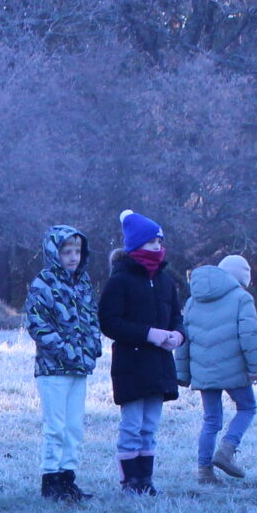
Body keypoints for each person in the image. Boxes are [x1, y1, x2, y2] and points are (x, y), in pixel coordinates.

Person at [98, 211, 183, 495]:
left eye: (159, 241)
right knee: (132, 426)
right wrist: (148, 334)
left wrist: (178, 336)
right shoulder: (120, 281)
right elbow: (109, 322)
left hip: (159, 366)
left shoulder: (166, 281)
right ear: (136, 245)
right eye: (151, 243)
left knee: (150, 427)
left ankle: (145, 480)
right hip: (131, 366)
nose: (157, 247)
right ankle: (129, 481)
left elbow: (177, 317)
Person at [176, 253, 257, 484]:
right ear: (241, 280)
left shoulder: (193, 300)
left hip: (203, 370)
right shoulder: (241, 298)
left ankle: (204, 471)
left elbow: (185, 339)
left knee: (211, 419)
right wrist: (256, 367)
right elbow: (249, 336)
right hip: (235, 369)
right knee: (247, 408)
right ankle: (227, 449)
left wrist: (182, 373)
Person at [26, 225, 99, 501]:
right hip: (53, 368)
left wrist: (93, 348)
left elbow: (92, 318)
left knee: (74, 427)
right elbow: (37, 325)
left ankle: (68, 478)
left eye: (77, 251)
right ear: (53, 252)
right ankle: (51, 480)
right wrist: (67, 350)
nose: (73, 257)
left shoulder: (83, 283)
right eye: (67, 251)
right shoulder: (42, 283)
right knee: (55, 426)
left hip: (80, 367)